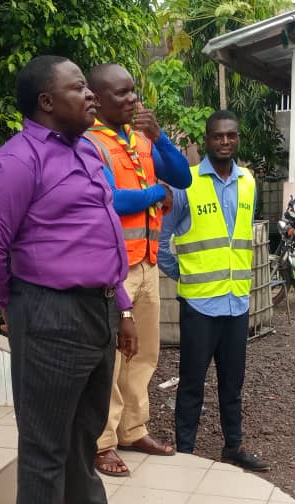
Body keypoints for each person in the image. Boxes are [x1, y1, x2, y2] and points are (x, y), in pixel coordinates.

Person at [0, 56, 144, 504]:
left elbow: (103, 234)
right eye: (78, 88)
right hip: (49, 313)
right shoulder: (16, 163)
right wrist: (21, 306)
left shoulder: (87, 150)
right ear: (47, 102)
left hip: (97, 308)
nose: (90, 96)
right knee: (44, 441)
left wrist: (121, 307)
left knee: (85, 428)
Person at [82, 64, 192, 477]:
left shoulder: (141, 137)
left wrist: (160, 137)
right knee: (111, 358)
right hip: (115, 267)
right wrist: (156, 192)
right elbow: (111, 200)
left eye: (133, 91)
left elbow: (182, 177)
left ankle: (133, 429)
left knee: (144, 353)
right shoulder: (90, 143)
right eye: (122, 93)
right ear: (97, 99)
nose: (133, 100)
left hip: (146, 262)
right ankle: (103, 442)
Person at [157, 111, 269, 472]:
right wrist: (185, 274)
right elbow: (161, 242)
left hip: (237, 302)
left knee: (233, 383)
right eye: (218, 136)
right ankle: (185, 452)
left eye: (231, 135)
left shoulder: (248, 182)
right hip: (200, 305)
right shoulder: (185, 183)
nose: (225, 142)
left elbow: (240, 236)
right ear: (206, 139)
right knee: (192, 383)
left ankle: (233, 446)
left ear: (238, 139)